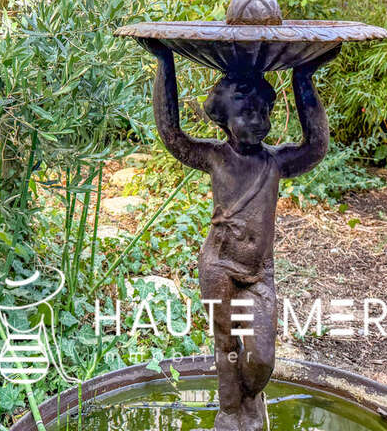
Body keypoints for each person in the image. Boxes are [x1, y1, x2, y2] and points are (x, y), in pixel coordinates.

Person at [141, 39, 338, 431]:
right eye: (245, 112)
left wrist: (304, 77)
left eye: (262, 111)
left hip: (258, 273)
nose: (256, 120)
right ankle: (231, 412)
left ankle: (251, 396)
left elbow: (316, 147)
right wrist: (165, 62)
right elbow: (171, 133)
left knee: (261, 357)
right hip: (218, 266)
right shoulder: (214, 157)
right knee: (226, 345)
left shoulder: (276, 162)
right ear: (222, 117)